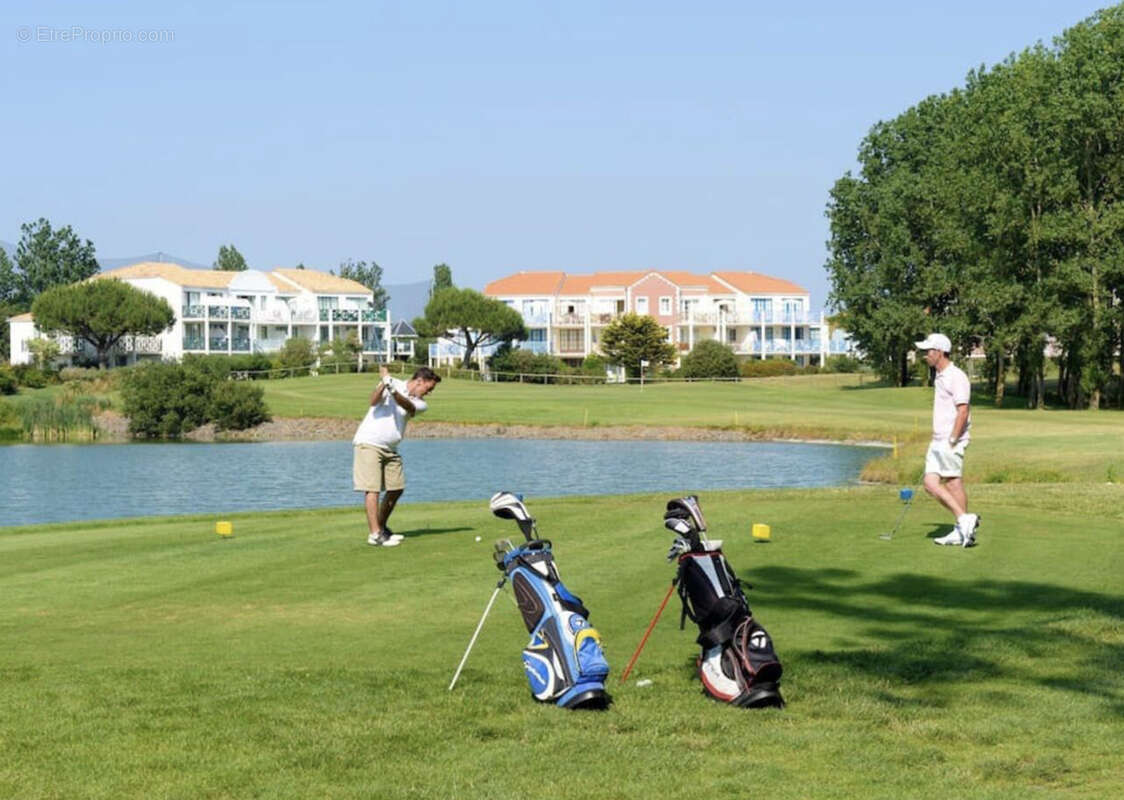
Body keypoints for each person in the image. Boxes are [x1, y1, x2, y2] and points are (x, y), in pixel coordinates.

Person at [352, 365, 440, 547]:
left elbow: (407, 405)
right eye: (428, 388)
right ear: (419, 381)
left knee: (396, 488)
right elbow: (373, 401)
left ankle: (381, 527)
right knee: (372, 488)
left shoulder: (421, 403)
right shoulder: (392, 383)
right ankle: (375, 534)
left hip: (391, 448)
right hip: (369, 442)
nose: (429, 392)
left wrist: (392, 389)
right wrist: (384, 384)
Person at [916, 333, 980, 547]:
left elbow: (963, 411)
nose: (926, 355)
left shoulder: (956, 376)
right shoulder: (940, 376)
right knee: (929, 483)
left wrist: (952, 439)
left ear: (940, 353)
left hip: (950, 440)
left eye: (929, 352)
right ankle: (964, 521)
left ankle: (962, 529)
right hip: (938, 440)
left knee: (953, 483)